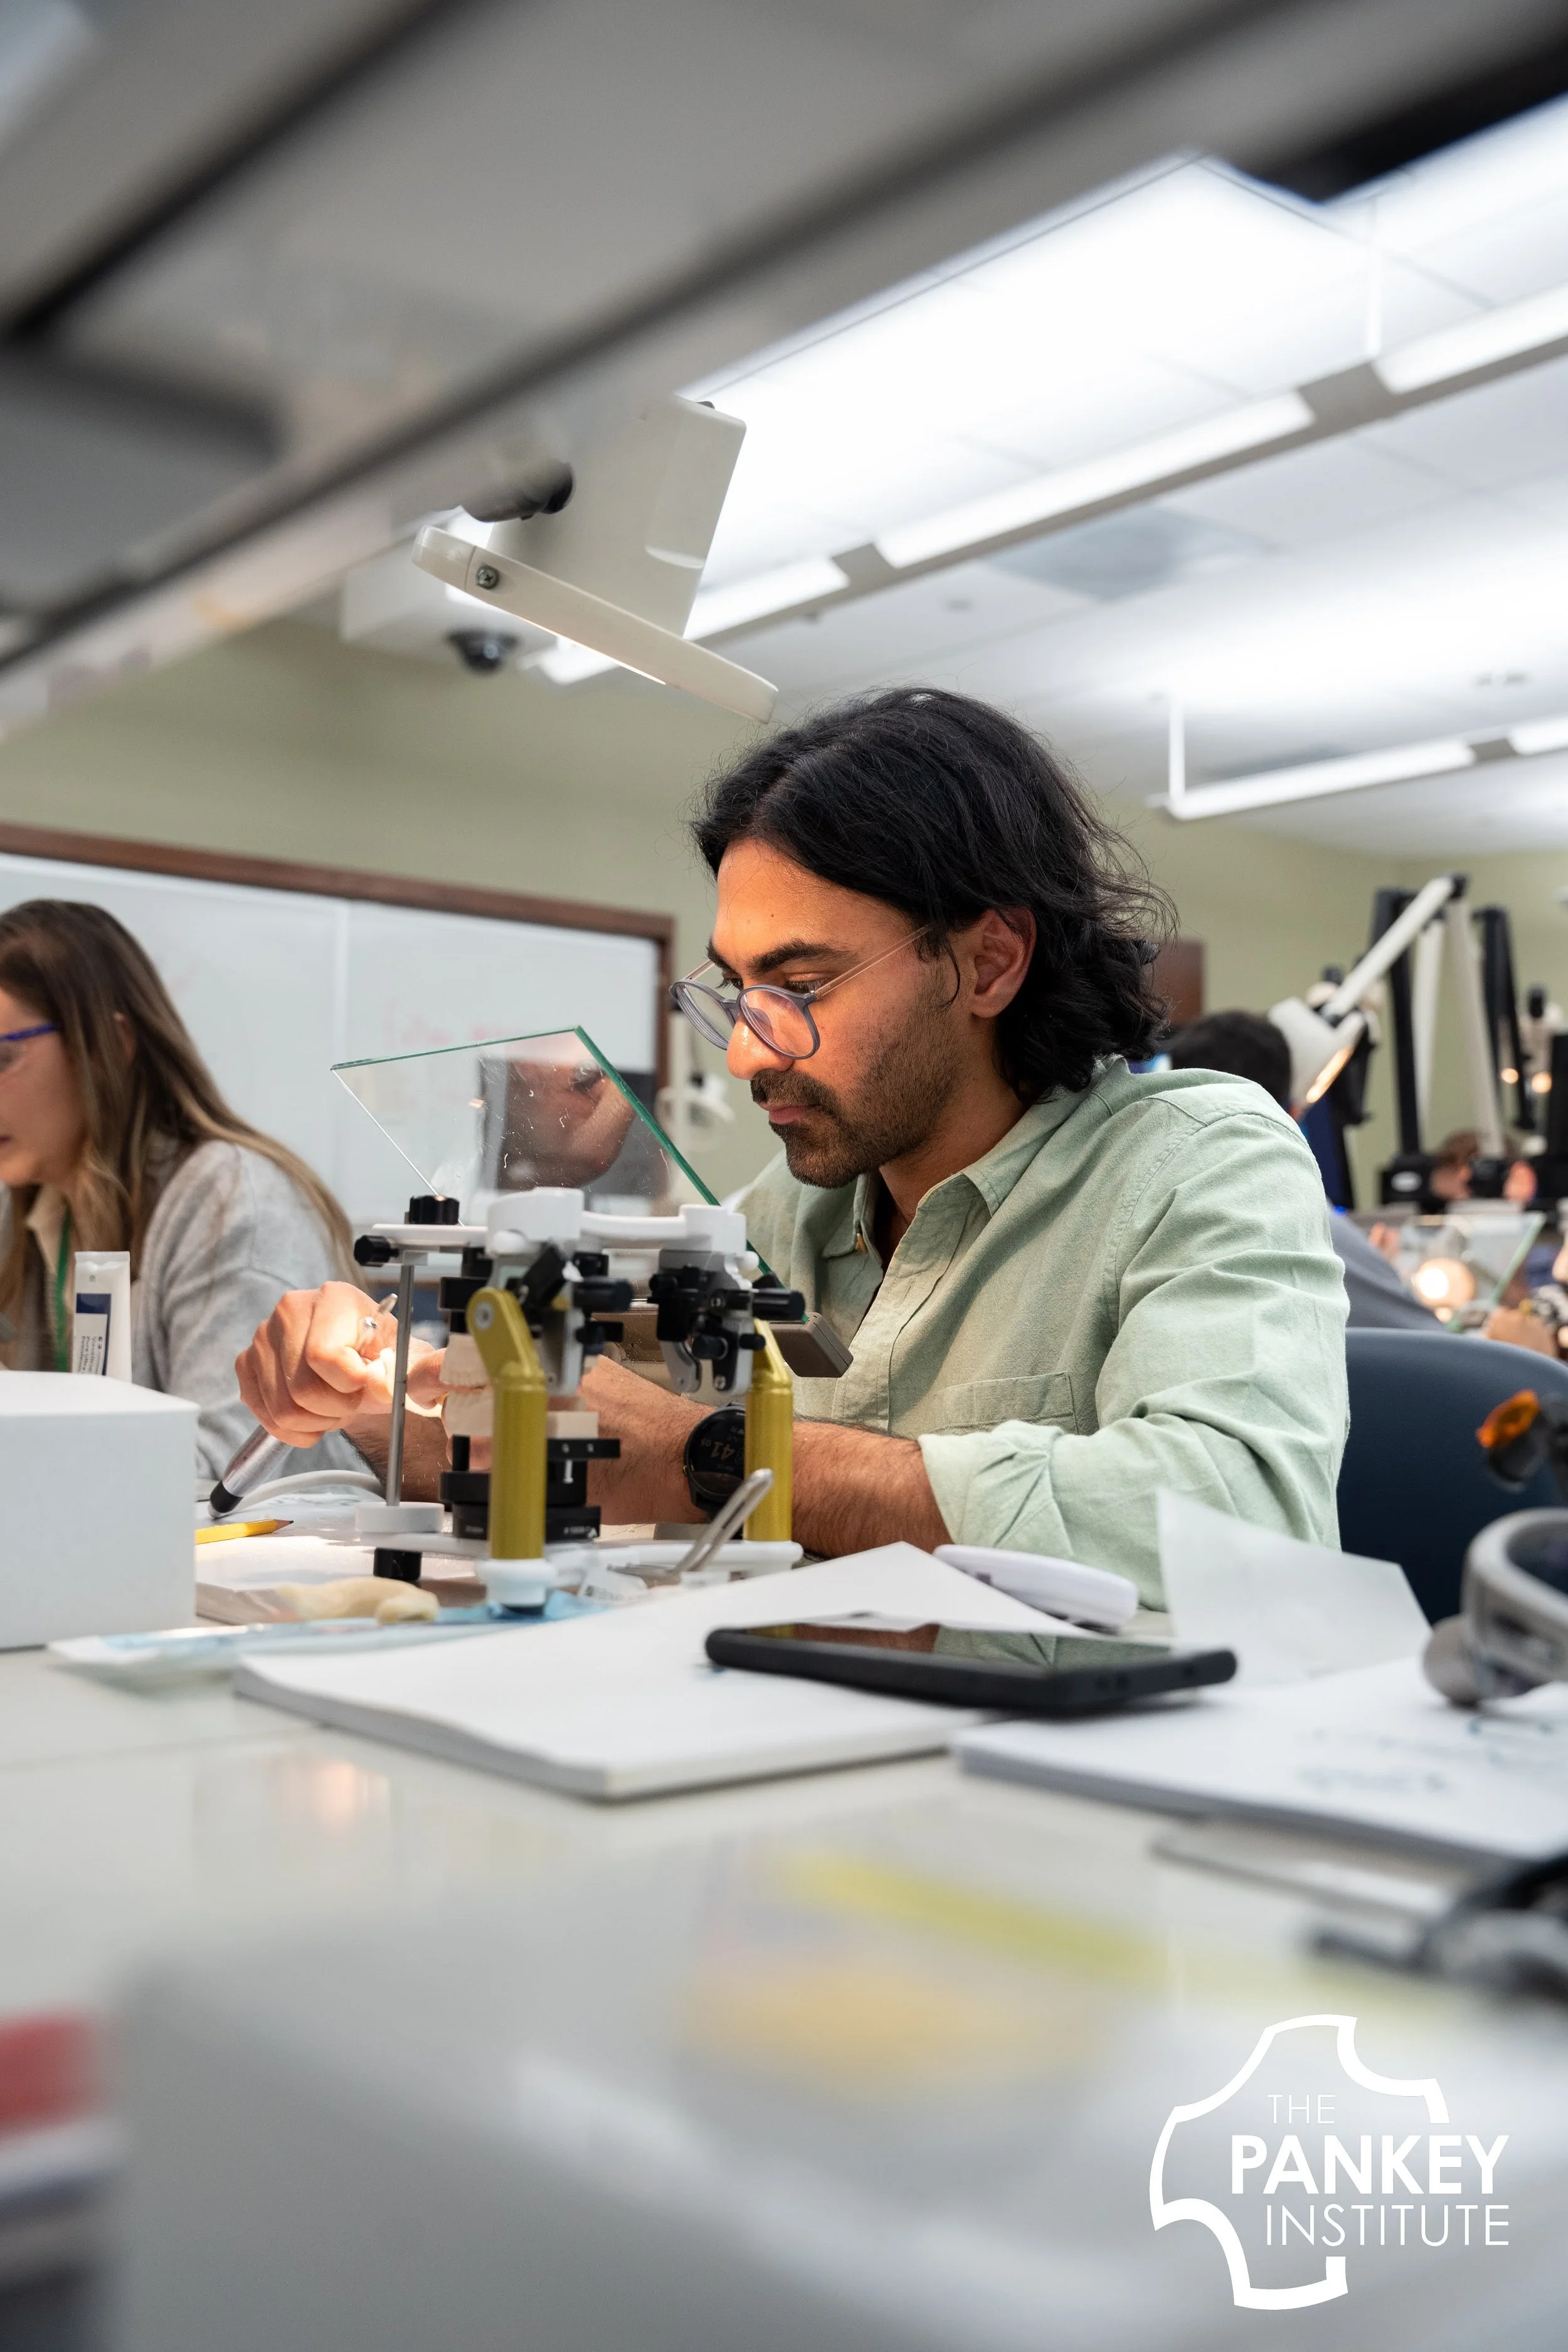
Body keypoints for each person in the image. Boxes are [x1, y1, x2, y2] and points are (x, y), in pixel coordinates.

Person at [238, 689, 1348, 1602]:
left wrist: (703, 1456)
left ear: (992, 962)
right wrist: (396, 1392)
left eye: (802, 986)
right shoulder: (795, 1208)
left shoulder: (1201, 1157)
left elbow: (1236, 1523)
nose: (746, 1056)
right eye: (738, 992)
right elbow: (565, 1452)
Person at [0, 899, 363, 1482]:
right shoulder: (37, 1203)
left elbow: (221, 1471)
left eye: (3, 1057)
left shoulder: (232, 1201)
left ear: (109, 1048)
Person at [1163, 1009, 1439, 1333]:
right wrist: (1380, 1270)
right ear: (1290, 1115)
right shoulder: (1314, 1233)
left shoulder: (1145, 1221)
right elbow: (1440, 1348)